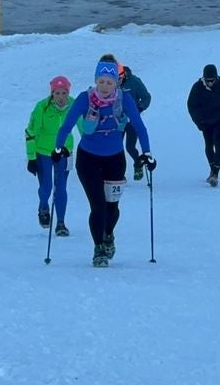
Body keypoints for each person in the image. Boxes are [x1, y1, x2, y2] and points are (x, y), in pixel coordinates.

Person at [53, 59, 153, 268]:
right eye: (101, 81)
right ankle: (99, 248)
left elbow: (139, 126)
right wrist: (58, 147)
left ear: (116, 82)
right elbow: (66, 125)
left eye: (109, 82)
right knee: (97, 206)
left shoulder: (124, 99)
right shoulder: (84, 99)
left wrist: (147, 153)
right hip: (88, 158)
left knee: (112, 207)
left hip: (115, 159)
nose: (105, 86)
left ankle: (108, 234)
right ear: (96, 80)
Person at [26, 75, 74, 237]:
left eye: (64, 93)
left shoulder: (74, 105)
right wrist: (31, 157)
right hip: (44, 151)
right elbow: (31, 132)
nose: (61, 97)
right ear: (52, 93)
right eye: (57, 93)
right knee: (46, 186)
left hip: (65, 152)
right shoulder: (42, 107)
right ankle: (43, 207)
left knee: (61, 187)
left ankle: (61, 222)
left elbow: (84, 128)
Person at [187, 64, 220, 187]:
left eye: (212, 81)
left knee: (218, 142)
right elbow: (191, 106)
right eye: (207, 81)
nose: (210, 83)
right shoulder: (197, 88)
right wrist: (198, 121)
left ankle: (215, 174)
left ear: (217, 78)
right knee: (208, 144)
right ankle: (212, 169)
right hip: (206, 121)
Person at [116, 60, 152, 181]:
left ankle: (138, 164)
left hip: (132, 121)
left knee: (130, 147)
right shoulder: (111, 84)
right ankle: (119, 173)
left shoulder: (135, 82)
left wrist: (138, 109)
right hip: (117, 121)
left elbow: (146, 97)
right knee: (116, 147)